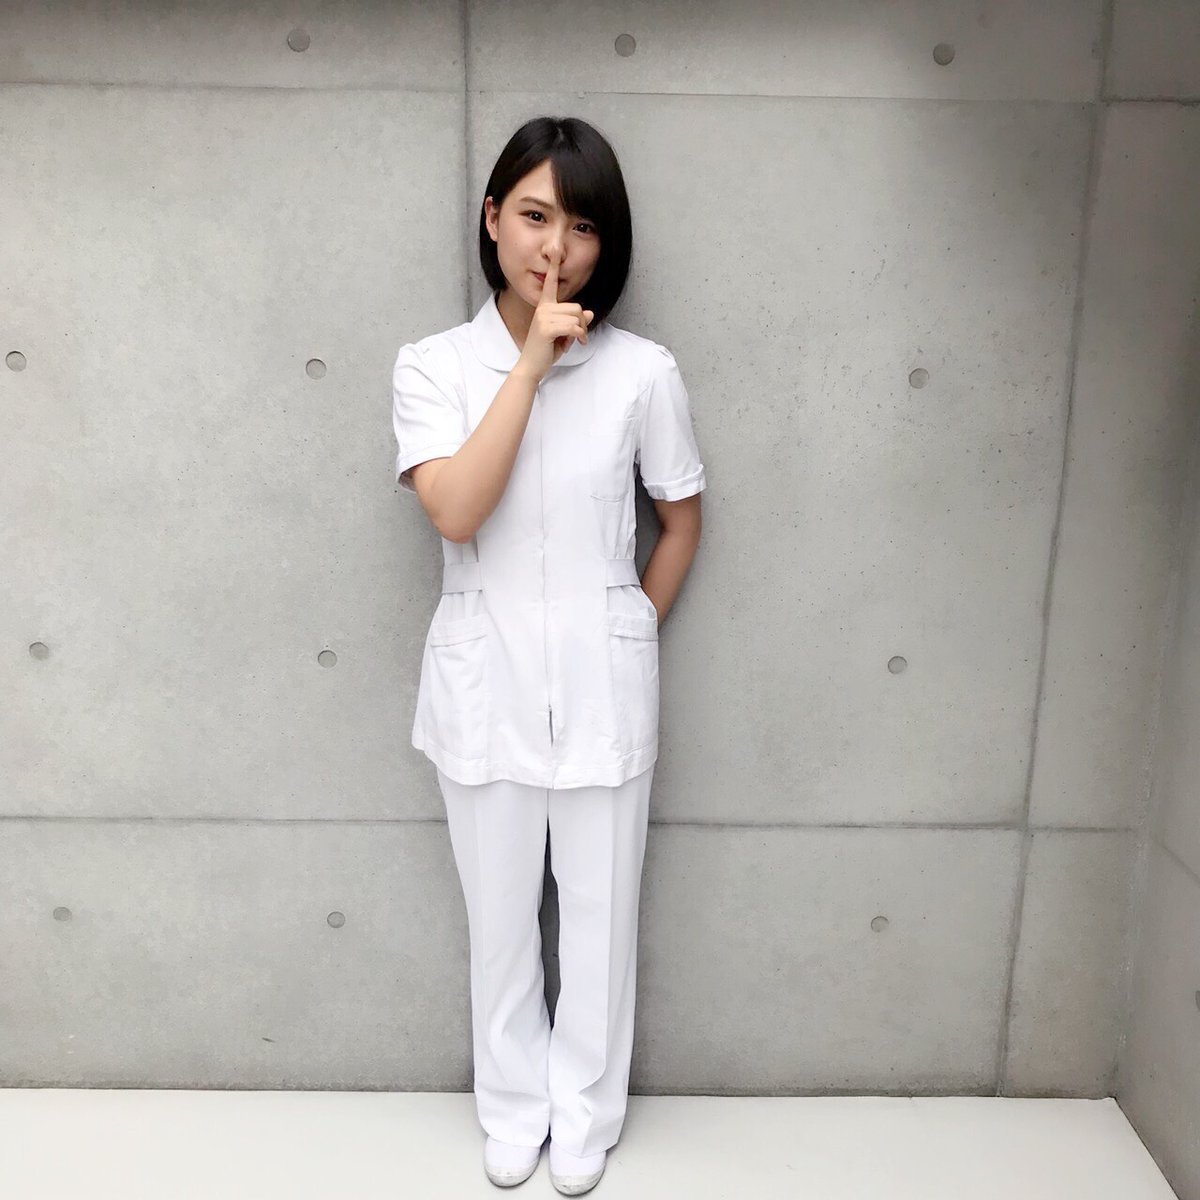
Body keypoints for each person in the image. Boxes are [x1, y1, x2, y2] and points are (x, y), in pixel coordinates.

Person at [391, 116, 706, 1194]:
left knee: (602, 916)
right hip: (483, 686)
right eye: (534, 215)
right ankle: (513, 1106)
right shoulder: (435, 367)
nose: (555, 247)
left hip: (605, 688)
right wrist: (528, 365)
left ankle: (586, 1112)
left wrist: (628, 629)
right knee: (501, 923)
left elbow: (682, 521)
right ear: (492, 219)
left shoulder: (642, 373)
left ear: (605, 243)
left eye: (582, 226)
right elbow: (455, 510)